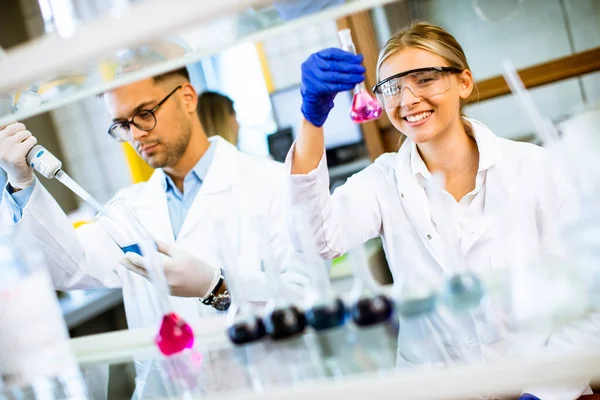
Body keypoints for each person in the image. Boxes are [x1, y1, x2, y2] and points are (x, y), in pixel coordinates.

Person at [287, 21, 597, 399]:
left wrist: (543, 391)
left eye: (425, 79)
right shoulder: (383, 181)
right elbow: (316, 239)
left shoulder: (535, 167)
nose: (408, 99)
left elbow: (590, 293)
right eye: (392, 87)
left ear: (464, 82)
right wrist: (311, 119)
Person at [0, 67, 309, 330]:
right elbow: (71, 269)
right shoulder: (129, 207)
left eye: (144, 114)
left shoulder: (272, 183)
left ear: (187, 98)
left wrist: (219, 287)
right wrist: (21, 181)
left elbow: (306, 296)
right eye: (122, 125)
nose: (136, 135)